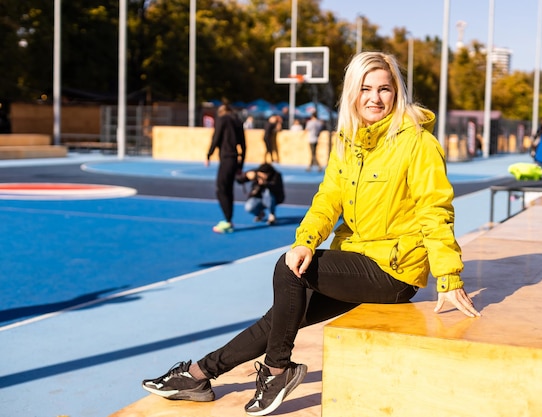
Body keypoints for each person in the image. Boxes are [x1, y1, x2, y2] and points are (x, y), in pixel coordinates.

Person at [142, 51, 480, 416]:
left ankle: (277, 370)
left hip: (394, 271)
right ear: (353, 92)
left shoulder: (417, 143)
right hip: (356, 260)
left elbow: (435, 209)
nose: (375, 97)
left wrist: (448, 276)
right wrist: (305, 241)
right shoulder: (348, 142)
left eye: (385, 89)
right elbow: (327, 201)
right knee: (282, 315)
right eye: (366, 88)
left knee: (287, 272)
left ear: (397, 94)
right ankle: (199, 375)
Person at [206, 104, 246, 234]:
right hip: (234, 160)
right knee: (228, 190)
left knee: (221, 189)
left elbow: (216, 138)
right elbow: (244, 146)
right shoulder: (238, 121)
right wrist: (240, 165)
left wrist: (208, 154)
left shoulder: (223, 119)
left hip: (226, 158)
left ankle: (228, 221)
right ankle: (228, 219)